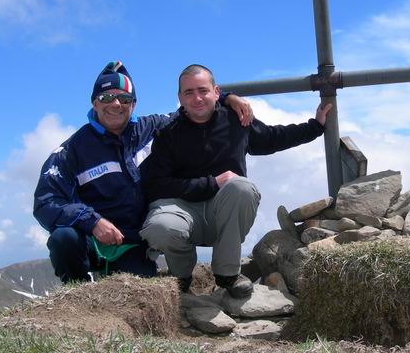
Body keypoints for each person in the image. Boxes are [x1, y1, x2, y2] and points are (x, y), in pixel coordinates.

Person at [33, 61, 252, 283]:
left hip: (134, 242)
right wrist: (92, 221)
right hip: (89, 237)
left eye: (125, 98)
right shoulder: (70, 151)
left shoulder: (153, 129)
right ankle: (78, 292)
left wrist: (226, 97)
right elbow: (45, 202)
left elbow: (194, 105)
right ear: (94, 103)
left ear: (134, 104)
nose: (116, 104)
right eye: (106, 97)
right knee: (63, 239)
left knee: (134, 294)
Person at [140, 64, 332, 297]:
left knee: (242, 188)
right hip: (181, 210)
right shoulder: (168, 131)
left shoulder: (235, 119)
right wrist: (213, 183)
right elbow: (156, 184)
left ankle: (227, 274)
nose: (197, 98)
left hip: (222, 211)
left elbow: (272, 138)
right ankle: (180, 277)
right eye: (188, 92)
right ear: (180, 97)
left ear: (216, 92)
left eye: (203, 90)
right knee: (160, 227)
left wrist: (316, 126)